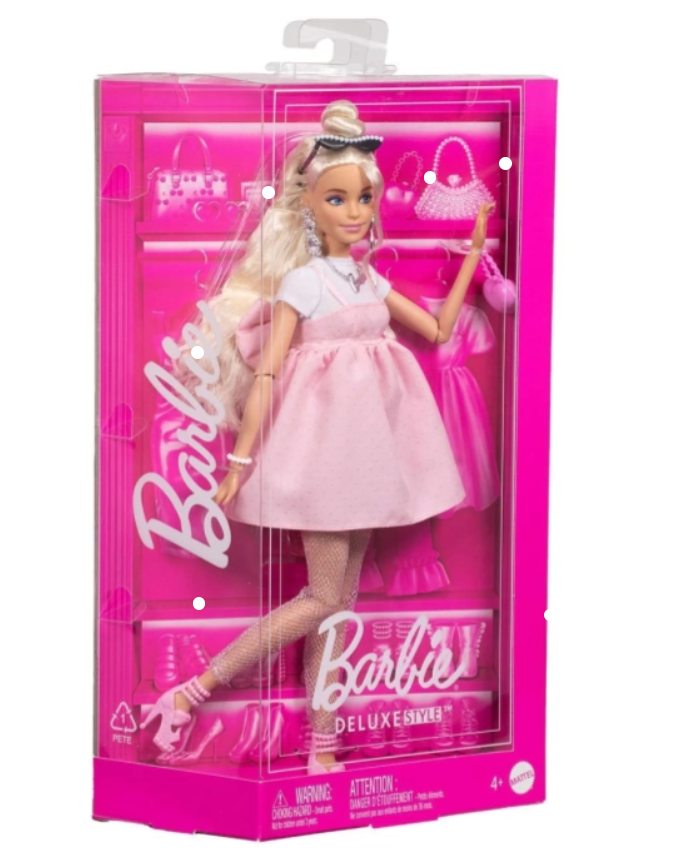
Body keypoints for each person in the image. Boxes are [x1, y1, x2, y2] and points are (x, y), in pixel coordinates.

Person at [141, 98, 495, 774]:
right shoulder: (302, 284)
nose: (356, 212)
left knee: (338, 603)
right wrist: (239, 461)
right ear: (308, 204)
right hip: (323, 458)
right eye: (338, 198)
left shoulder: (365, 275)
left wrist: (473, 255)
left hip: (368, 458)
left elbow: (438, 330)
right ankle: (189, 692)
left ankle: (322, 744)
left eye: (364, 197)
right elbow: (268, 372)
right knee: (325, 598)